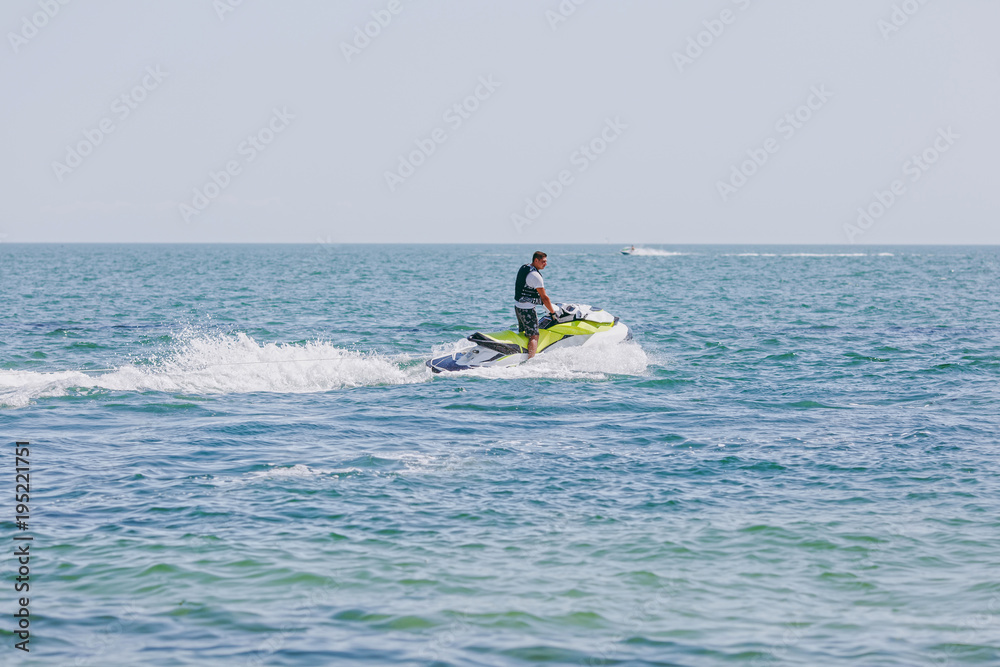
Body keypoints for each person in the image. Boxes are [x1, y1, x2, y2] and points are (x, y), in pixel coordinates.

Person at [514, 251, 559, 359]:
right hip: (527, 309)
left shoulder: (524, 267)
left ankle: (520, 353)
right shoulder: (535, 276)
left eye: (546, 261)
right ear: (536, 260)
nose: (545, 264)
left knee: (523, 331)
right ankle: (530, 359)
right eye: (543, 262)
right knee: (534, 335)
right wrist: (552, 313)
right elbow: (544, 297)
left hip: (518, 306)